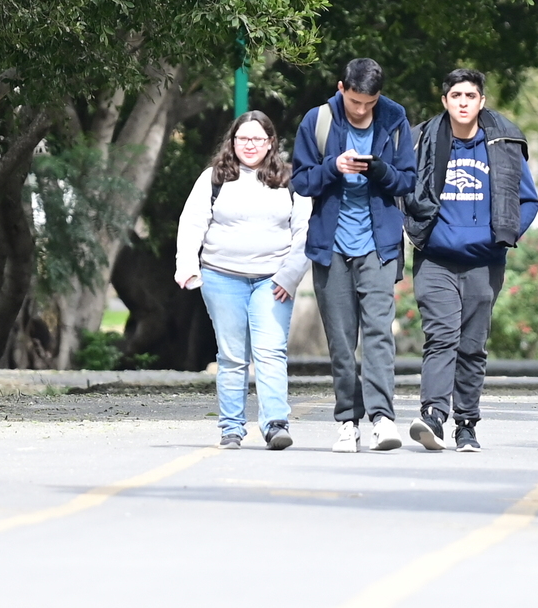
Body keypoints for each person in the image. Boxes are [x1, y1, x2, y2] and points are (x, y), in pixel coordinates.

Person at [403, 68, 538, 453]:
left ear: (481, 101)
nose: (463, 102)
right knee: (441, 336)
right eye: (456, 96)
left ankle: (467, 424)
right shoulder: (422, 140)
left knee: (472, 344)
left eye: (470, 96)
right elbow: (400, 189)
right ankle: (432, 415)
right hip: (435, 258)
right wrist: (414, 229)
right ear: (444, 101)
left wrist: (504, 236)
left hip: (485, 261)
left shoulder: (502, 142)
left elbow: (527, 201)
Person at [291, 58, 418, 454]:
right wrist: (334, 167)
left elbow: (408, 180)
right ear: (341, 87)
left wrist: (378, 170)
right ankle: (348, 420)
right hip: (331, 247)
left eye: (370, 102)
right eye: (355, 101)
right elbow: (301, 180)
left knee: (379, 334)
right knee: (342, 341)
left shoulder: (394, 119)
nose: (362, 109)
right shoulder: (319, 120)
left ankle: (382, 418)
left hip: (379, 245)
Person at [175, 111, 311, 449]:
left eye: (258, 139)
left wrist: (290, 275)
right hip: (223, 278)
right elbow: (192, 223)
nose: (250, 145)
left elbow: (305, 232)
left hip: (273, 280)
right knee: (232, 356)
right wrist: (187, 263)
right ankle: (231, 428)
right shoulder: (214, 179)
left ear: (270, 144)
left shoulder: (290, 181)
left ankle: (275, 424)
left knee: (270, 352)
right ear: (232, 142)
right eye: (243, 139)